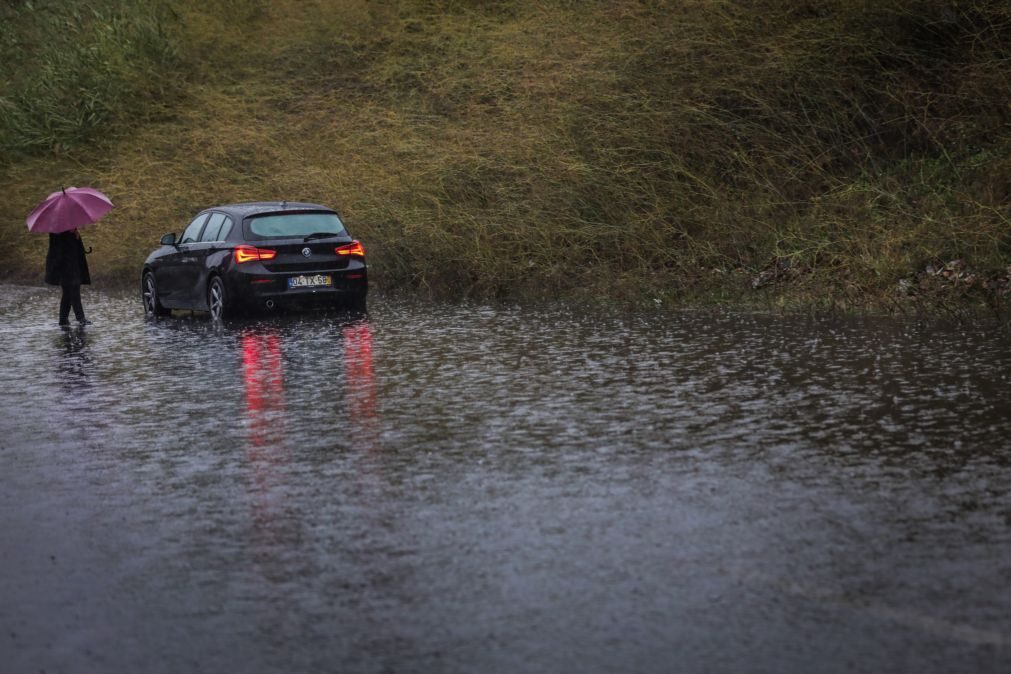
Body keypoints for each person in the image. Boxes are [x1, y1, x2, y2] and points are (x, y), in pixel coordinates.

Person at [45, 229, 91, 326]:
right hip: (64, 263)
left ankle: (63, 319)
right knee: (73, 287)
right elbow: (59, 247)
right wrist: (71, 233)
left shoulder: (68, 229)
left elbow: (75, 247)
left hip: (71, 262)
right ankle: (80, 317)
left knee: (68, 291)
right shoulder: (57, 229)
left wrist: (76, 235)